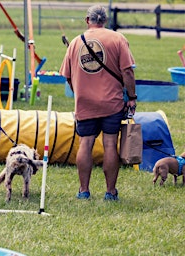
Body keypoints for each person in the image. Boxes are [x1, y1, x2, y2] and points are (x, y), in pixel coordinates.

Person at [60, 5, 136, 201]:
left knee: (85, 143)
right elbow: (127, 71)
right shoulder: (118, 39)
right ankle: (110, 192)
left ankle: (83, 191)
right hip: (112, 103)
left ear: (87, 20)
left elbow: (67, 76)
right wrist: (132, 97)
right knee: (110, 144)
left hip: (85, 103)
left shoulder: (76, 43)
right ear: (106, 21)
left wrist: (80, 92)